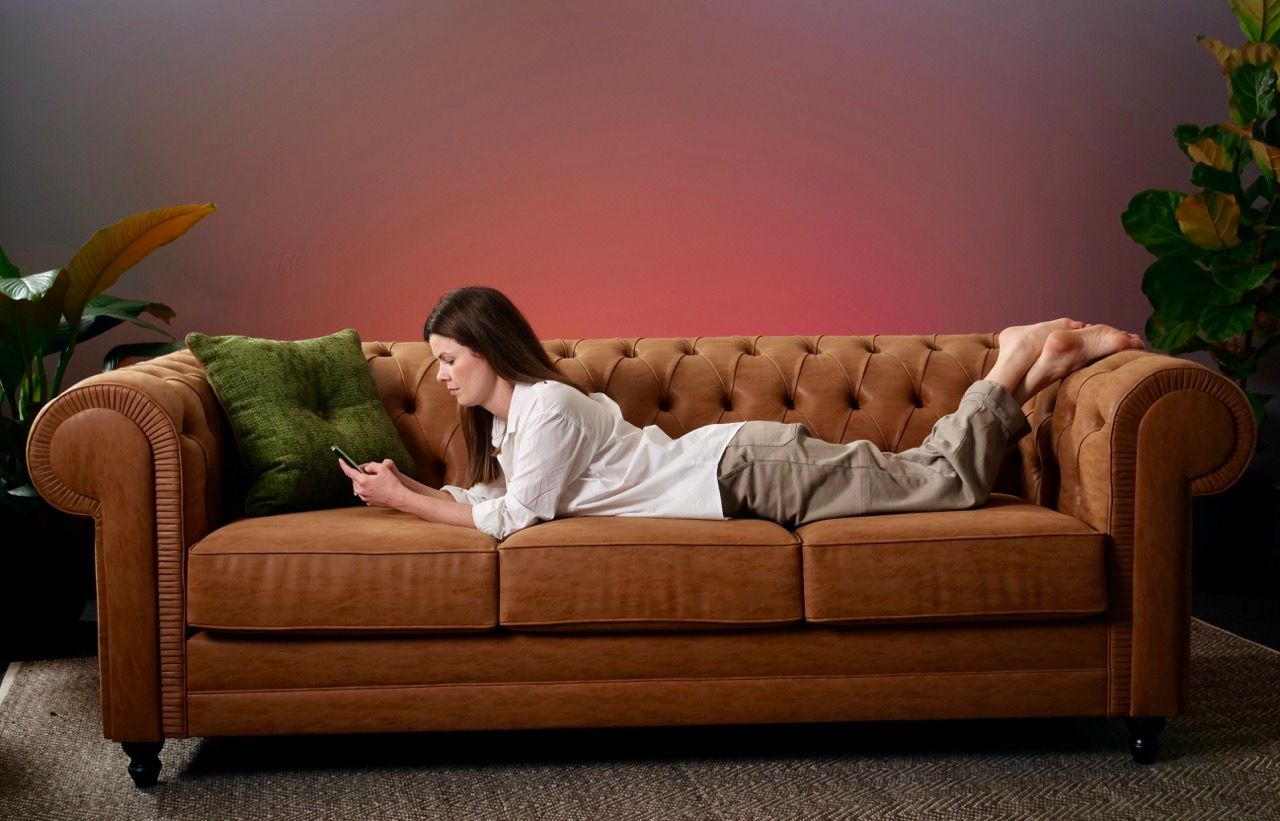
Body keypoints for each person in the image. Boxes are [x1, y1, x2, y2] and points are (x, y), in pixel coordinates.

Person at [340, 286, 1144, 539]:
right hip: (739, 470)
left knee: (944, 484)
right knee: (920, 475)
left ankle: (1012, 355)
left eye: (449, 358)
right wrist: (416, 486)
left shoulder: (545, 406)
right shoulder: (521, 423)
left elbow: (517, 516)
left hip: (747, 472)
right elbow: (492, 499)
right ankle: (1042, 365)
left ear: (487, 346)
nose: (440, 376)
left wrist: (410, 500)